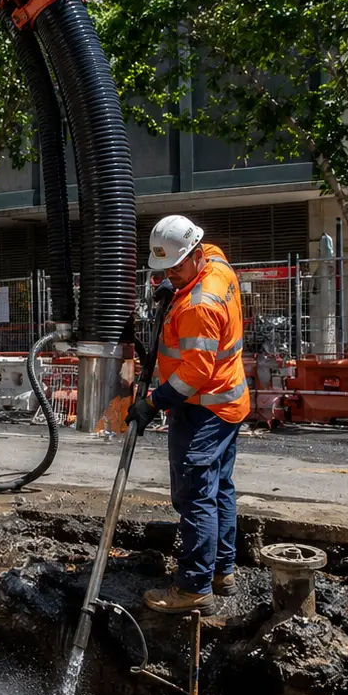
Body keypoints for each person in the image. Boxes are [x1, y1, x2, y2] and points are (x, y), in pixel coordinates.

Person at [127, 215, 251, 615]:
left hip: (204, 410)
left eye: (176, 268)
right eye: (164, 269)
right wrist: (173, 284)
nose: (171, 275)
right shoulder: (214, 259)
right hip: (228, 403)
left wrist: (152, 403)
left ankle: (194, 587)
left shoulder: (200, 305)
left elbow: (194, 375)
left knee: (195, 496)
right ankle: (221, 570)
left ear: (195, 255)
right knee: (219, 488)